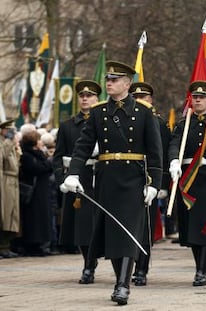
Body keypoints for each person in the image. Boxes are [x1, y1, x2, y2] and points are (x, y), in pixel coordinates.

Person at [61, 61, 162, 305]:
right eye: (108, 79)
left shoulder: (144, 112)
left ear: (127, 84)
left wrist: (155, 184)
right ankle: (121, 279)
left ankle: (122, 285)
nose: (109, 83)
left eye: (115, 80)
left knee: (127, 232)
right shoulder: (98, 112)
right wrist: (73, 173)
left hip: (133, 179)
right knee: (112, 233)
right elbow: (83, 146)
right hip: (106, 178)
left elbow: (155, 152)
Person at [53, 80, 102, 284]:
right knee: (82, 226)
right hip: (78, 179)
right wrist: (62, 180)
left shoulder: (105, 122)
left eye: (89, 95)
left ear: (97, 99)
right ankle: (88, 265)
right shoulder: (67, 126)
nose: (85, 98)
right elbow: (58, 157)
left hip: (100, 178)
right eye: (82, 95)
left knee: (99, 224)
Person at [168, 80, 206, 287]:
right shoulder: (183, 123)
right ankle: (199, 264)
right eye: (195, 97)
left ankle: (201, 270)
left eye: (202, 97)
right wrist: (173, 161)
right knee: (190, 226)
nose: (198, 101)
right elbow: (174, 144)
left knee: (204, 226)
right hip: (187, 179)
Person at [129, 81, 171, 286]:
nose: (139, 102)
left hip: (149, 180)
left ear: (150, 100)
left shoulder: (158, 122)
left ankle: (141, 269)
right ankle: (127, 265)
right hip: (126, 179)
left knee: (145, 226)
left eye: (143, 98)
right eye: (135, 98)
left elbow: (161, 155)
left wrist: (161, 184)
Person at [19, 127, 54, 256]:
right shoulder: (27, 155)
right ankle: (33, 244)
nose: (41, 143)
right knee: (34, 220)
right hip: (34, 193)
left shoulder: (38, 153)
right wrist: (49, 163)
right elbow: (36, 168)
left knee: (42, 219)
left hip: (42, 191)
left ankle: (41, 243)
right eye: (39, 140)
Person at [0, 120, 20, 259]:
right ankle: (2, 246)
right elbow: (3, 157)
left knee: (13, 215)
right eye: (9, 130)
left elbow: (16, 163)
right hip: (5, 180)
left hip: (13, 180)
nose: (11, 132)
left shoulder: (10, 143)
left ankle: (6, 246)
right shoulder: (3, 143)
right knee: (5, 213)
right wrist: (9, 142)